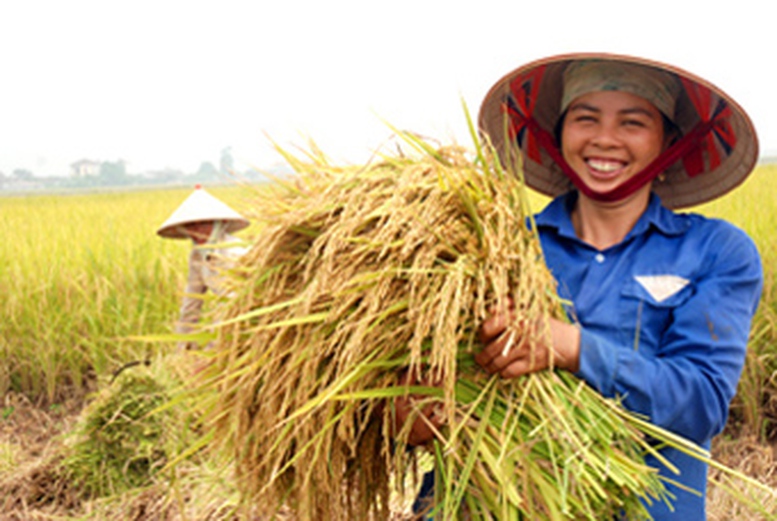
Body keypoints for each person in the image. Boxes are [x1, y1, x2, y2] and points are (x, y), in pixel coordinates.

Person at [401, 53, 764, 520]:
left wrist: (572, 347)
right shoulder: (494, 249)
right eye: (585, 118)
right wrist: (407, 420)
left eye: (632, 122)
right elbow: (432, 384)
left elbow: (700, 403)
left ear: (669, 141)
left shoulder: (715, 252)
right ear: (558, 134)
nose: (605, 139)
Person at [157, 184, 250, 351]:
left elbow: (232, 306)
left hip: (249, 320)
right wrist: (181, 349)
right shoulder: (197, 256)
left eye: (204, 224)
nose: (197, 231)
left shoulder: (233, 253)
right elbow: (191, 302)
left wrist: (213, 348)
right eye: (192, 225)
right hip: (229, 321)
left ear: (219, 223)